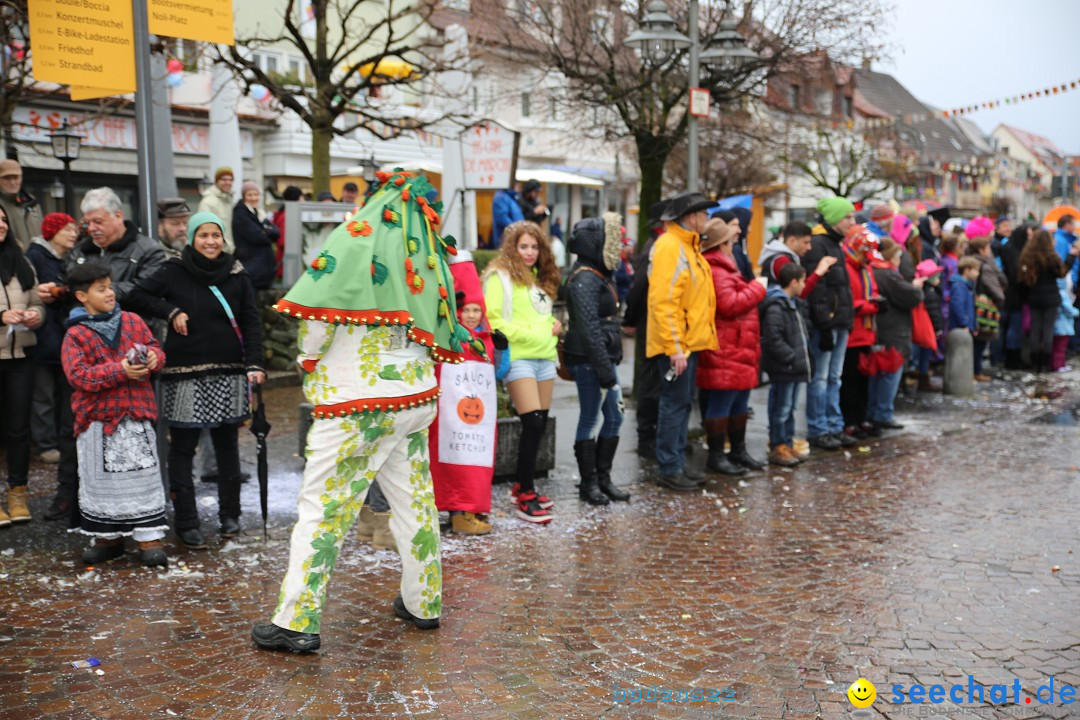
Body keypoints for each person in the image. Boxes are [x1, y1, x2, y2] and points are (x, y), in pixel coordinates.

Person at [252, 169, 467, 652]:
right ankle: (423, 602)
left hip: (354, 401)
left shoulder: (353, 239)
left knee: (322, 511)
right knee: (415, 502)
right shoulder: (428, 253)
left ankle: (297, 620)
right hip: (415, 398)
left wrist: (311, 363)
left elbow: (316, 320)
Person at [126, 212, 265, 550]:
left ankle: (229, 515)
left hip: (228, 369)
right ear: (191, 238)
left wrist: (255, 363)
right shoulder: (173, 271)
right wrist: (170, 312)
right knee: (184, 447)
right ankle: (186, 521)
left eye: (215, 235)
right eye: (203, 235)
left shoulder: (237, 274)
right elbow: (134, 296)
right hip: (184, 371)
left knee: (227, 444)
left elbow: (251, 321)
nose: (210, 241)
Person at [61, 263, 168, 567]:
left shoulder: (133, 321)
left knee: (142, 477)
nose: (109, 293)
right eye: (101, 289)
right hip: (97, 420)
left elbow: (155, 349)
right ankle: (108, 538)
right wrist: (119, 370)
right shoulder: (76, 334)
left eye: (109, 286)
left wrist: (151, 359)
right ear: (82, 296)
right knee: (101, 483)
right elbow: (79, 376)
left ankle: (149, 538)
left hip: (136, 415)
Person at [483, 220, 561, 522]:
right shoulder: (498, 276)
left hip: (545, 357)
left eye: (535, 246)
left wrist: (556, 326)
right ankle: (525, 492)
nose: (529, 252)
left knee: (539, 424)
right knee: (532, 423)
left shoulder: (540, 278)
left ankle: (523, 486)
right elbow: (493, 320)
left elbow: (543, 318)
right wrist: (536, 336)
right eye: (523, 246)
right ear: (512, 247)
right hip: (519, 358)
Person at [646, 192, 718, 489]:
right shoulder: (672, 247)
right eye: (705, 214)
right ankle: (669, 467)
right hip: (678, 346)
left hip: (687, 343)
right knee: (675, 405)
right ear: (691, 217)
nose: (708, 220)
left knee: (682, 404)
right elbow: (664, 301)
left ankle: (675, 463)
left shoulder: (686, 245)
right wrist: (675, 347)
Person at [563, 213, 631, 505]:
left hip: (601, 360)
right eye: (611, 243)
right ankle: (589, 483)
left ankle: (603, 478)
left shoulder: (597, 275)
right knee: (591, 417)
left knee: (615, 416)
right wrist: (606, 371)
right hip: (589, 360)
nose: (616, 249)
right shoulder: (584, 279)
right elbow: (590, 330)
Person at [429, 255, 498, 534]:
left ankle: (467, 509)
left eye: (475, 310)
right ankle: (457, 509)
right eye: (465, 311)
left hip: (473, 415)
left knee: (472, 456)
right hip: (451, 413)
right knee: (450, 456)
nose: (471, 316)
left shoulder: (487, 340)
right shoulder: (449, 337)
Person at [697, 215, 766, 475]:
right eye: (730, 240)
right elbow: (730, 304)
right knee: (723, 402)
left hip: (737, 345)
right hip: (726, 346)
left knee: (738, 400)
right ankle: (717, 455)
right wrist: (757, 289)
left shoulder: (725, 266)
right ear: (722, 244)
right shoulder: (717, 268)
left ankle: (737, 450)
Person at [43, 188, 168, 317]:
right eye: (87, 223)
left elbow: (146, 292)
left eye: (98, 222)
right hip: (83, 332)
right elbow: (66, 286)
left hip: (130, 332)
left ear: (118, 216)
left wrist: (94, 290)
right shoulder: (79, 250)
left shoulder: (148, 250)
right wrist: (53, 294)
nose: (91, 228)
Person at [802, 196, 857, 451]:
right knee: (821, 378)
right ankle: (819, 428)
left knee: (835, 377)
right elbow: (818, 291)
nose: (852, 222)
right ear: (835, 218)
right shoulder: (818, 245)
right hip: (828, 323)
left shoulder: (835, 245)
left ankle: (834, 424)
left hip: (840, 321)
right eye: (848, 217)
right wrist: (823, 324)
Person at [0, 205, 44, 524]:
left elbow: (38, 301)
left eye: (3, 219)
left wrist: (35, 315)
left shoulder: (21, 261)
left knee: (18, 430)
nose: (1, 225)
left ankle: (18, 494)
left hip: (21, 357)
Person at [25, 213, 77, 466]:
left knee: (67, 394)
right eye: (67, 229)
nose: (73, 233)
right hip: (42, 337)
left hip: (65, 337)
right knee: (43, 395)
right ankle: (46, 445)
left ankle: (66, 439)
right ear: (52, 232)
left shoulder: (70, 258)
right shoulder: (35, 256)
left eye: (74, 229)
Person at [621, 199, 668, 459]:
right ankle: (647, 438)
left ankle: (653, 436)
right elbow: (639, 288)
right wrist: (631, 319)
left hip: (653, 324)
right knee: (651, 385)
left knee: (657, 384)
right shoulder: (653, 248)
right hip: (651, 326)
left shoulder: (657, 246)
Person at [868, 238, 925, 430]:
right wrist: (916, 287)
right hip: (892, 330)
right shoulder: (886, 274)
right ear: (892, 257)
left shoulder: (876, 271)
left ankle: (877, 412)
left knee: (880, 373)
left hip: (883, 330)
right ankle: (882, 413)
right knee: (889, 372)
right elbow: (911, 296)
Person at [760, 262, 811, 467]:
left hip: (793, 366)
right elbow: (773, 338)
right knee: (782, 407)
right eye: (803, 281)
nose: (804, 285)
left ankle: (787, 442)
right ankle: (778, 444)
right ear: (793, 282)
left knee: (789, 408)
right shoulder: (777, 306)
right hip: (785, 367)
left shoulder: (794, 303)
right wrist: (791, 358)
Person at [838, 225, 881, 439]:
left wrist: (876, 302)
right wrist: (871, 306)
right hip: (853, 333)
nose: (869, 259)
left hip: (866, 332)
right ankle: (849, 421)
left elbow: (872, 291)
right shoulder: (847, 268)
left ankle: (862, 418)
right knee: (850, 381)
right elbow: (848, 302)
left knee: (864, 379)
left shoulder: (866, 267)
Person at [1019, 229, 1077, 373]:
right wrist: (1071, 257)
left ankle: (1034, 363)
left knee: (1035, 329)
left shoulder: (1027, 256)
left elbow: (1023, 278)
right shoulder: (1051, 256)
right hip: (1051, 298)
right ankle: (1045, 363)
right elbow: (1062, 272)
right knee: (1048, 330)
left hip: (1034, 297)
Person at [965, 235, 1007, 380]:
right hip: (984, 306)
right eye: (988, 248)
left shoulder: (968, 260)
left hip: (971, 304)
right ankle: (977, 371)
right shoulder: (985, 265)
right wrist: (1000, 300)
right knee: (981, 341)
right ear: (981, 249)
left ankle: (973, 370)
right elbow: (996, 285)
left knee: (975, 341)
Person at [759, 221, 836, 292]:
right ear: (792, 241)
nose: (809, 247)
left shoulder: (787, 257)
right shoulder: (782, 260)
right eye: (806, 242)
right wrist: (819, 271)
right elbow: (800, 292)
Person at [232, 181, 280, 290]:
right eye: (250, 195)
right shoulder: (241, 214)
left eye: (256, 194)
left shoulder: (259, 213)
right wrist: (266, 232)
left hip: (261, 269)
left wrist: (265, 231)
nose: (254, 198)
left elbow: (277, 232)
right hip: (252, 269)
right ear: (244, 196)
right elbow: (259, 237)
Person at [1000, 223, 1033, 369]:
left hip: (1011, 294)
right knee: (1014, 328)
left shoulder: (1009, 247)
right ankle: (1012, 359)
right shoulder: (1014, 250)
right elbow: (1015, 274)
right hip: (1015, 295)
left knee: (1010, 328)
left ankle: (1007, 357)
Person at [913, 259, 945, 392]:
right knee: (924, 354)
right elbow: (934, 313)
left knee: (923, 354)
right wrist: (938, 328)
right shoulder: (930, 293)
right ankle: (923, 378)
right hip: (928, 329)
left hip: (926, 328)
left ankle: (922, 376)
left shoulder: (928, 291)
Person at [0, 159, 43, 251]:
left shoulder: (32, 202)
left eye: (15, 177)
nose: (12, 182)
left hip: (35, 259)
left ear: (21, 177)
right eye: (6, 178)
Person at [198, 167, 235, 250]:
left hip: (229, 251)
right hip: (215, 251)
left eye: (230, 180)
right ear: (217, 181)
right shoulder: (208, 202)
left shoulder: (230, 201)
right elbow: (205, 229)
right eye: (224, 179)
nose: (228, 182)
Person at [271, 186, 303, 282]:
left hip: (285, 262)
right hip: (288, 265)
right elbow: (284, 241)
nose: (303, 200)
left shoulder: (283, 214)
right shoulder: (287, 216)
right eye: (302, 197)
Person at [489, 184, 525, 249]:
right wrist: (520, 229)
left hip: (516, 238)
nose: (519, 188)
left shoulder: (512, 197)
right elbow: (502, 219)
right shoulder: (500, 197)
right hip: (506, 240)